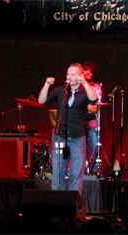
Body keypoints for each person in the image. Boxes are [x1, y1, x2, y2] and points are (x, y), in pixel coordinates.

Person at [38, 63, 97, 194]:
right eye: (68, 74)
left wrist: (85, 83)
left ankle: (73, 208)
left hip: (77, 137)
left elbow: (94, 100)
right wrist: (47, 85)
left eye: (73, 74)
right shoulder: (61, 91)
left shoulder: (84, 92)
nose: (69, 77)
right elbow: (42, 101)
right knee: (58, 173)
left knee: (76, 175)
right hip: (59, 137)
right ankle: (57, 205)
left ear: (81, 76)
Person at [82, 62, 102, 174]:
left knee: (93, 133)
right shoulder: (75, 85)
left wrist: (82, 105)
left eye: (90, 71)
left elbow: (95, 107)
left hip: (90, 117)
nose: (87, 72)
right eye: (85, 70)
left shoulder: (96, 87)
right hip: (78, 118)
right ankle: (78, 166)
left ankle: (94, 166)